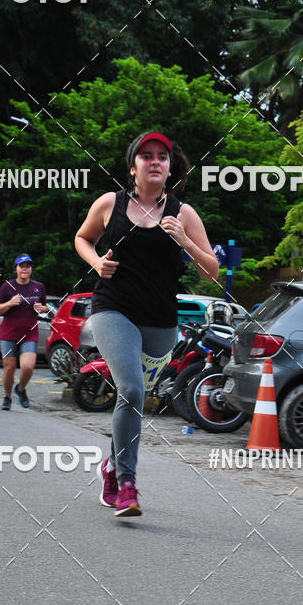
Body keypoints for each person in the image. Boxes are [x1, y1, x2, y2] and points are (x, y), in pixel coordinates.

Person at [74, 131, 219, 517]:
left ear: (169, 168)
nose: (155, 161)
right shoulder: (110, 203)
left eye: (162, 157)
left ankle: (111, 465)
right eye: (146, 155)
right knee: (132, 390)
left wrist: (185, 240)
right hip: (112, 309)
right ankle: (127, 485)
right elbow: (82, 238)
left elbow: (211, 271)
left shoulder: (183, 213)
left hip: (160, 322)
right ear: (132, 167)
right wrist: (96, 263)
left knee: (132, 399)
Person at [0, 254, 47, 410]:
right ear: (16, 269)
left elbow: (45, 307)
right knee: (9, 367)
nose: (24, 269)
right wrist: (9, 303)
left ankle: (21, 389)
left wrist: (41, 308)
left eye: (27, 266)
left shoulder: (38, 286)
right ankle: (7, 397)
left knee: (28, 367)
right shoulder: (7, 287)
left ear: (31, 269)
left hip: (29, 334)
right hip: (9, 334)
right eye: (21, 266)